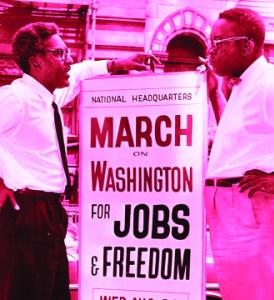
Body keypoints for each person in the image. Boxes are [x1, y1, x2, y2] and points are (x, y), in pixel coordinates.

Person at [0, 21, 159, 300]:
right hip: (27, 212)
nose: (69, 59)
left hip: (49, 214)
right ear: (37, 62)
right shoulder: (15, 99)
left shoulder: (48, 97)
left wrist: (115, 64)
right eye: (60, 54)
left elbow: (80, 73)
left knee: (53, 292)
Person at [204, 7, 274, 300]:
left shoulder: (273, 83)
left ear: (245, 46)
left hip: (254, 208)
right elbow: (238, 141)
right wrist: (214, 95)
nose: (211, 50)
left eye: (218, 42)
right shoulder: (244, 85)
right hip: (235, 209)